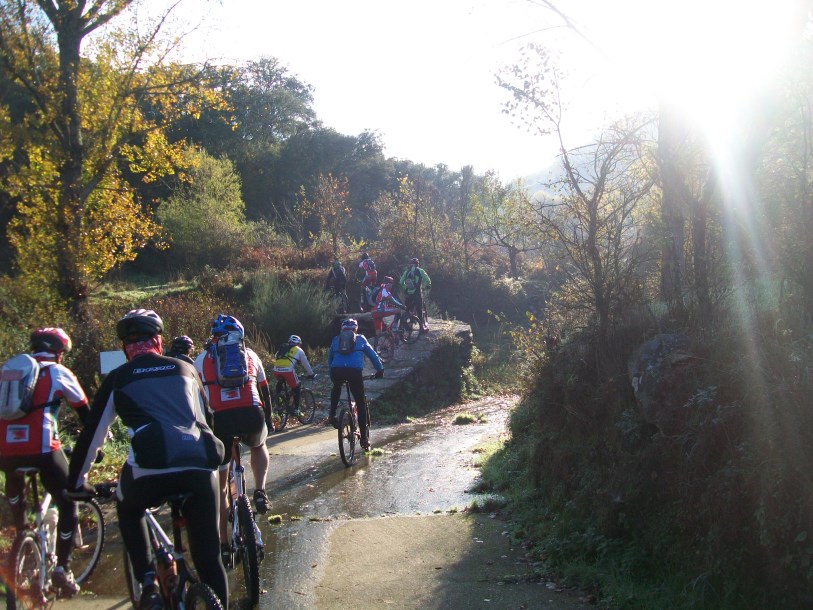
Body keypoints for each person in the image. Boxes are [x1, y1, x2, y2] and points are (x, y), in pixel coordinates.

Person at [67, 310, 227, 610]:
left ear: (126, 348)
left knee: (128, 507)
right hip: (199, 465)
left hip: (148, 470)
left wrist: (76, 481)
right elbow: (208, 419)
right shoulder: (186, 369)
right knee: (209, 559)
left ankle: (148, 581)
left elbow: (92, 434)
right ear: (159, 341)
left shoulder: (119, 377)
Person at [0, 328, 90, 597]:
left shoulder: (9, 372)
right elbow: (85, 413)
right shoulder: (58, 372)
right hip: (42, 450)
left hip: (5, 451)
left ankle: (22, 534)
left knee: (13, 478)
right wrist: (92, 447)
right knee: (68, 501)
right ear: (59, 352)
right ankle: (63, 569)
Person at [194, 314, 273, 563]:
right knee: (259, 445)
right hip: (251, 415)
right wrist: (268, 421)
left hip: (220, 421)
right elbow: (265, 391)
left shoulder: (201, 359)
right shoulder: (251, 355)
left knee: (220, 486)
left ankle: (224, 544)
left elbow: (196, 399)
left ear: (213, 337)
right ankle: (259, 491)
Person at [327, 318, 384, 452]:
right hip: (354, 372)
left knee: (336, 387)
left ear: (342, 329)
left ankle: (332, 414)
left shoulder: (336, 339)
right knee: (360, 403)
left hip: (336, 371)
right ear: (356, 329)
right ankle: (364, 438)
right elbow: (373, 355)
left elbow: (330, 358)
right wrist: (380, 369)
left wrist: (333, 373)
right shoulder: (361, 339)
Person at [272, 335, 316, 416]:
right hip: (288, 371)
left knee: (280, 382)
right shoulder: (299, 350)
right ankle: (296, 409)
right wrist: (311, 374)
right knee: (297, 387)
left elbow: (276, 357)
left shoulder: (282, 348)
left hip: (276, 370)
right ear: (298, 343)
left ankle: (278, 399)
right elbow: (305, 364)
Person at [399, 257, 432, 332]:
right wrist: (428, 286)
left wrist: (406, 288)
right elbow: (427, 280)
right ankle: (422, 328)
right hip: (417, 293)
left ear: (410, 264)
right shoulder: (420, 271)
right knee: (419, 309)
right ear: (417, 264)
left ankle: (405, 326)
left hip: (408, 294)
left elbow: (401, 282)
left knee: (408, 310)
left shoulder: (407, 271)